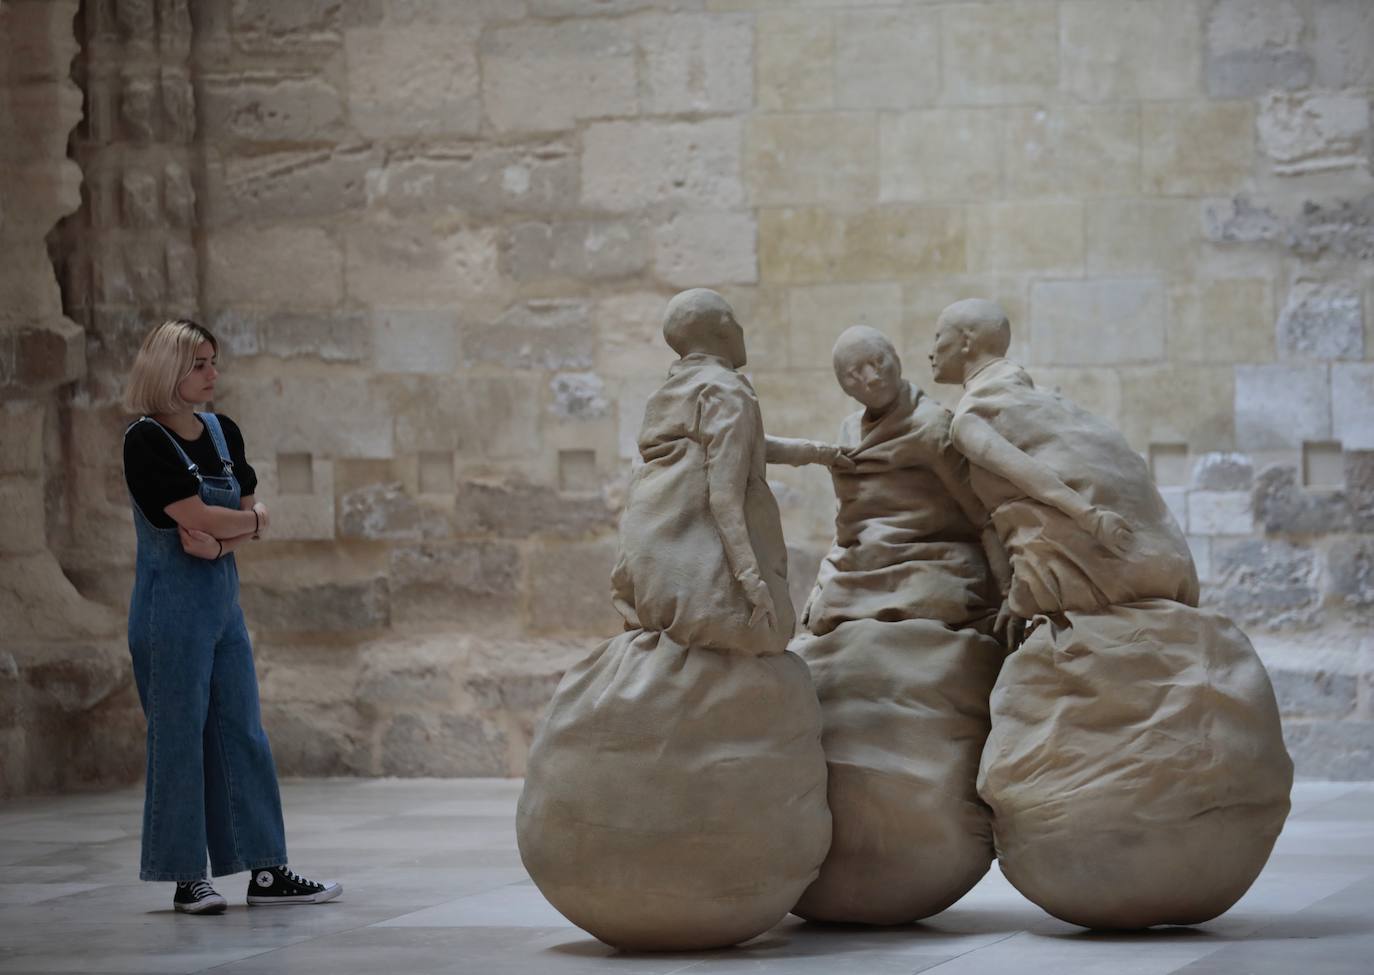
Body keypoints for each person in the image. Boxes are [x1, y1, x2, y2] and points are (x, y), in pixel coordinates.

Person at [122, 318, 341, 915]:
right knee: (179, 739)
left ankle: (267, 870)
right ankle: (186, 876)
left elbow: (229, 519)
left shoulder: (224, 433)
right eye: (200, 364)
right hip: (169, 613)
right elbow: (195, 513)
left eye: (213, 361)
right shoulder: (144, 440)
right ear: (168, 369)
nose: (213, 374)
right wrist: (250, 524)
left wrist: (230, 536)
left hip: (223, 607)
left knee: (243, 734)